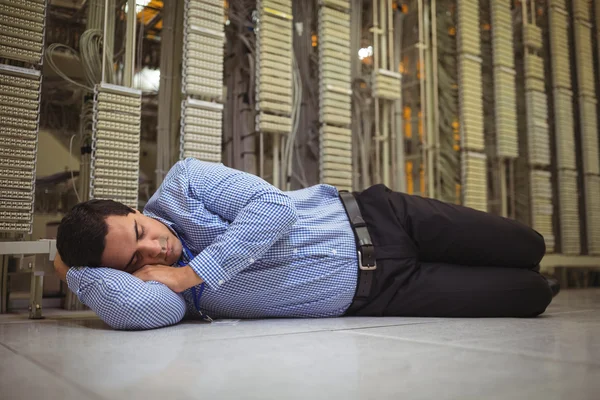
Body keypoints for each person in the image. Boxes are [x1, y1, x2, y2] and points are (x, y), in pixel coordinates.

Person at [54, 158, 557, 330]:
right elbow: (137, 311)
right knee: (532, 296)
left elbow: (275, 209)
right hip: (383, 293)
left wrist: (193, 272)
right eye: (134, 259)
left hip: (385, 219)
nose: (154, 252)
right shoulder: (157, 291)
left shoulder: (184, 184)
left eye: (140, 233)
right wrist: (74, 269)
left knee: (527, 244)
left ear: (136, 209)